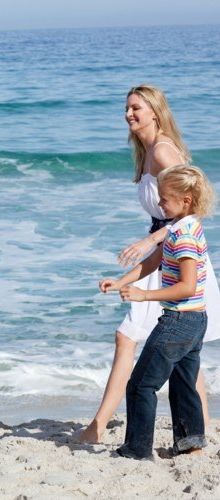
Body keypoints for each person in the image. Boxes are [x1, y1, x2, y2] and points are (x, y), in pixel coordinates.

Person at [79, 84, 220, 443]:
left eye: (136, 108)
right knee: (184, 351)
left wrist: (151, 240)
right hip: (163, 250)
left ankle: (97, 428)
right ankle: (200, 427)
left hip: (175, 254)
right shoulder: (145, 151)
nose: (129, 114)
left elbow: (190, 206)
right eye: (126, 108)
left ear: (155, 112)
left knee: (129, 337)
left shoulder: (162, 151)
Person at [99, 164, 215, 459]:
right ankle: (191, 445)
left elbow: (187, 286)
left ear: (185, 200)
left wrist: (144, 295)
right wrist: (121, 281)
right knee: (183, 382)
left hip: (179, 321)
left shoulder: (185, 236)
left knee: (140, 384)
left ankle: (137, 450)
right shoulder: (179, 228)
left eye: (164, 199)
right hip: (194, 320)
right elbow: (153, 262)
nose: (159, 204)